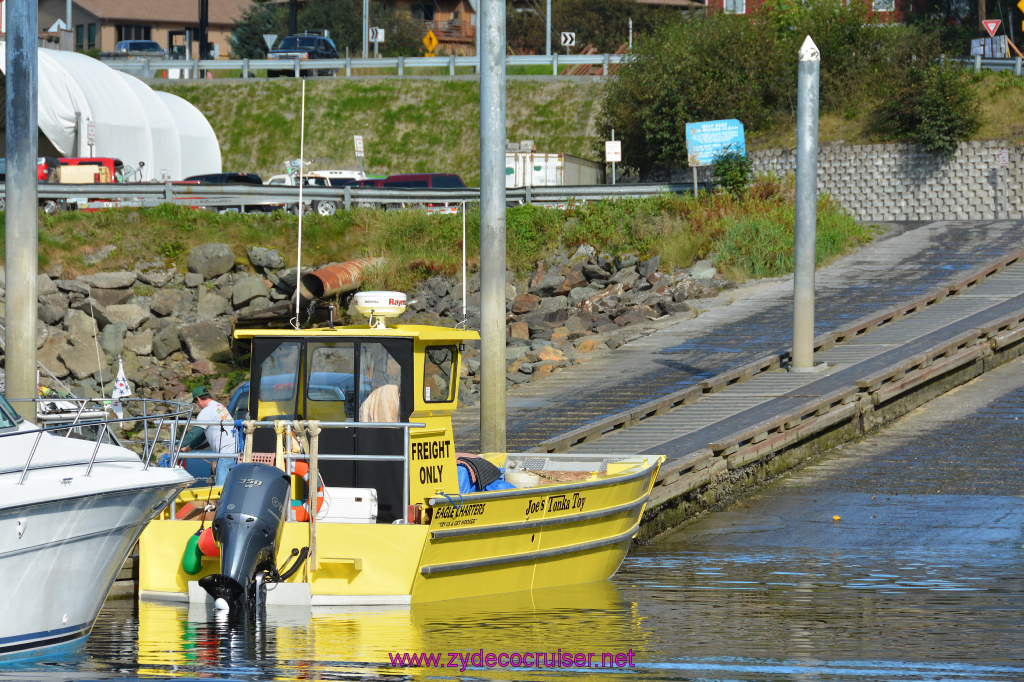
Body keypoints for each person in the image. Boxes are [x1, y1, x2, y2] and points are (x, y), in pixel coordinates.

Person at [180, 386, 237, 486]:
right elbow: (202, 435)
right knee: (230, 487)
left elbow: (195, 432)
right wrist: (189, 447)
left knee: (220, 489)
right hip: (235, 452)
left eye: (195, 402)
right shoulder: (220, 407)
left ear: (198, 399)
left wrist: (177, 446)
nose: (197, 405)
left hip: (226, 454)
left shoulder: (207, 411)